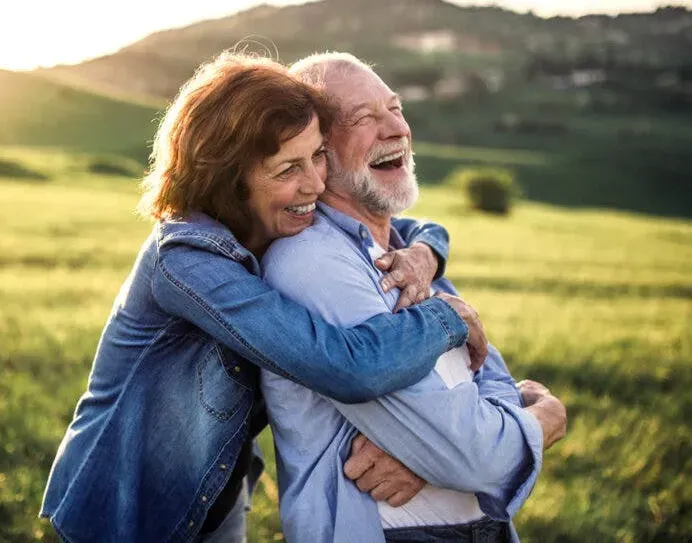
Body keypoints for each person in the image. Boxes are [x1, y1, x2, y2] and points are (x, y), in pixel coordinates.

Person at [39, 52, 490, 543]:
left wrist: (426, 253)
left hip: (216, 495)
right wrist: (447, 317)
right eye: (287, 169)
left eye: (317, 155)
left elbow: (405, 226)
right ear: (230, 180)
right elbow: (344, 367)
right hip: (126, 509)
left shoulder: (271, 222)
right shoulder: (187, 262)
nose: (316, 184)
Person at [260, 52, 568, 543]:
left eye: (396, 109)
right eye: (364, 118)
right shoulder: (312, 262)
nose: (395, 130)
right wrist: (544, 419)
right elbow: (472, 456)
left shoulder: (409, 256)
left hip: (482, 527)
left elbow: (490, 381)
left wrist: (434, 457)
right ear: (319, 153)